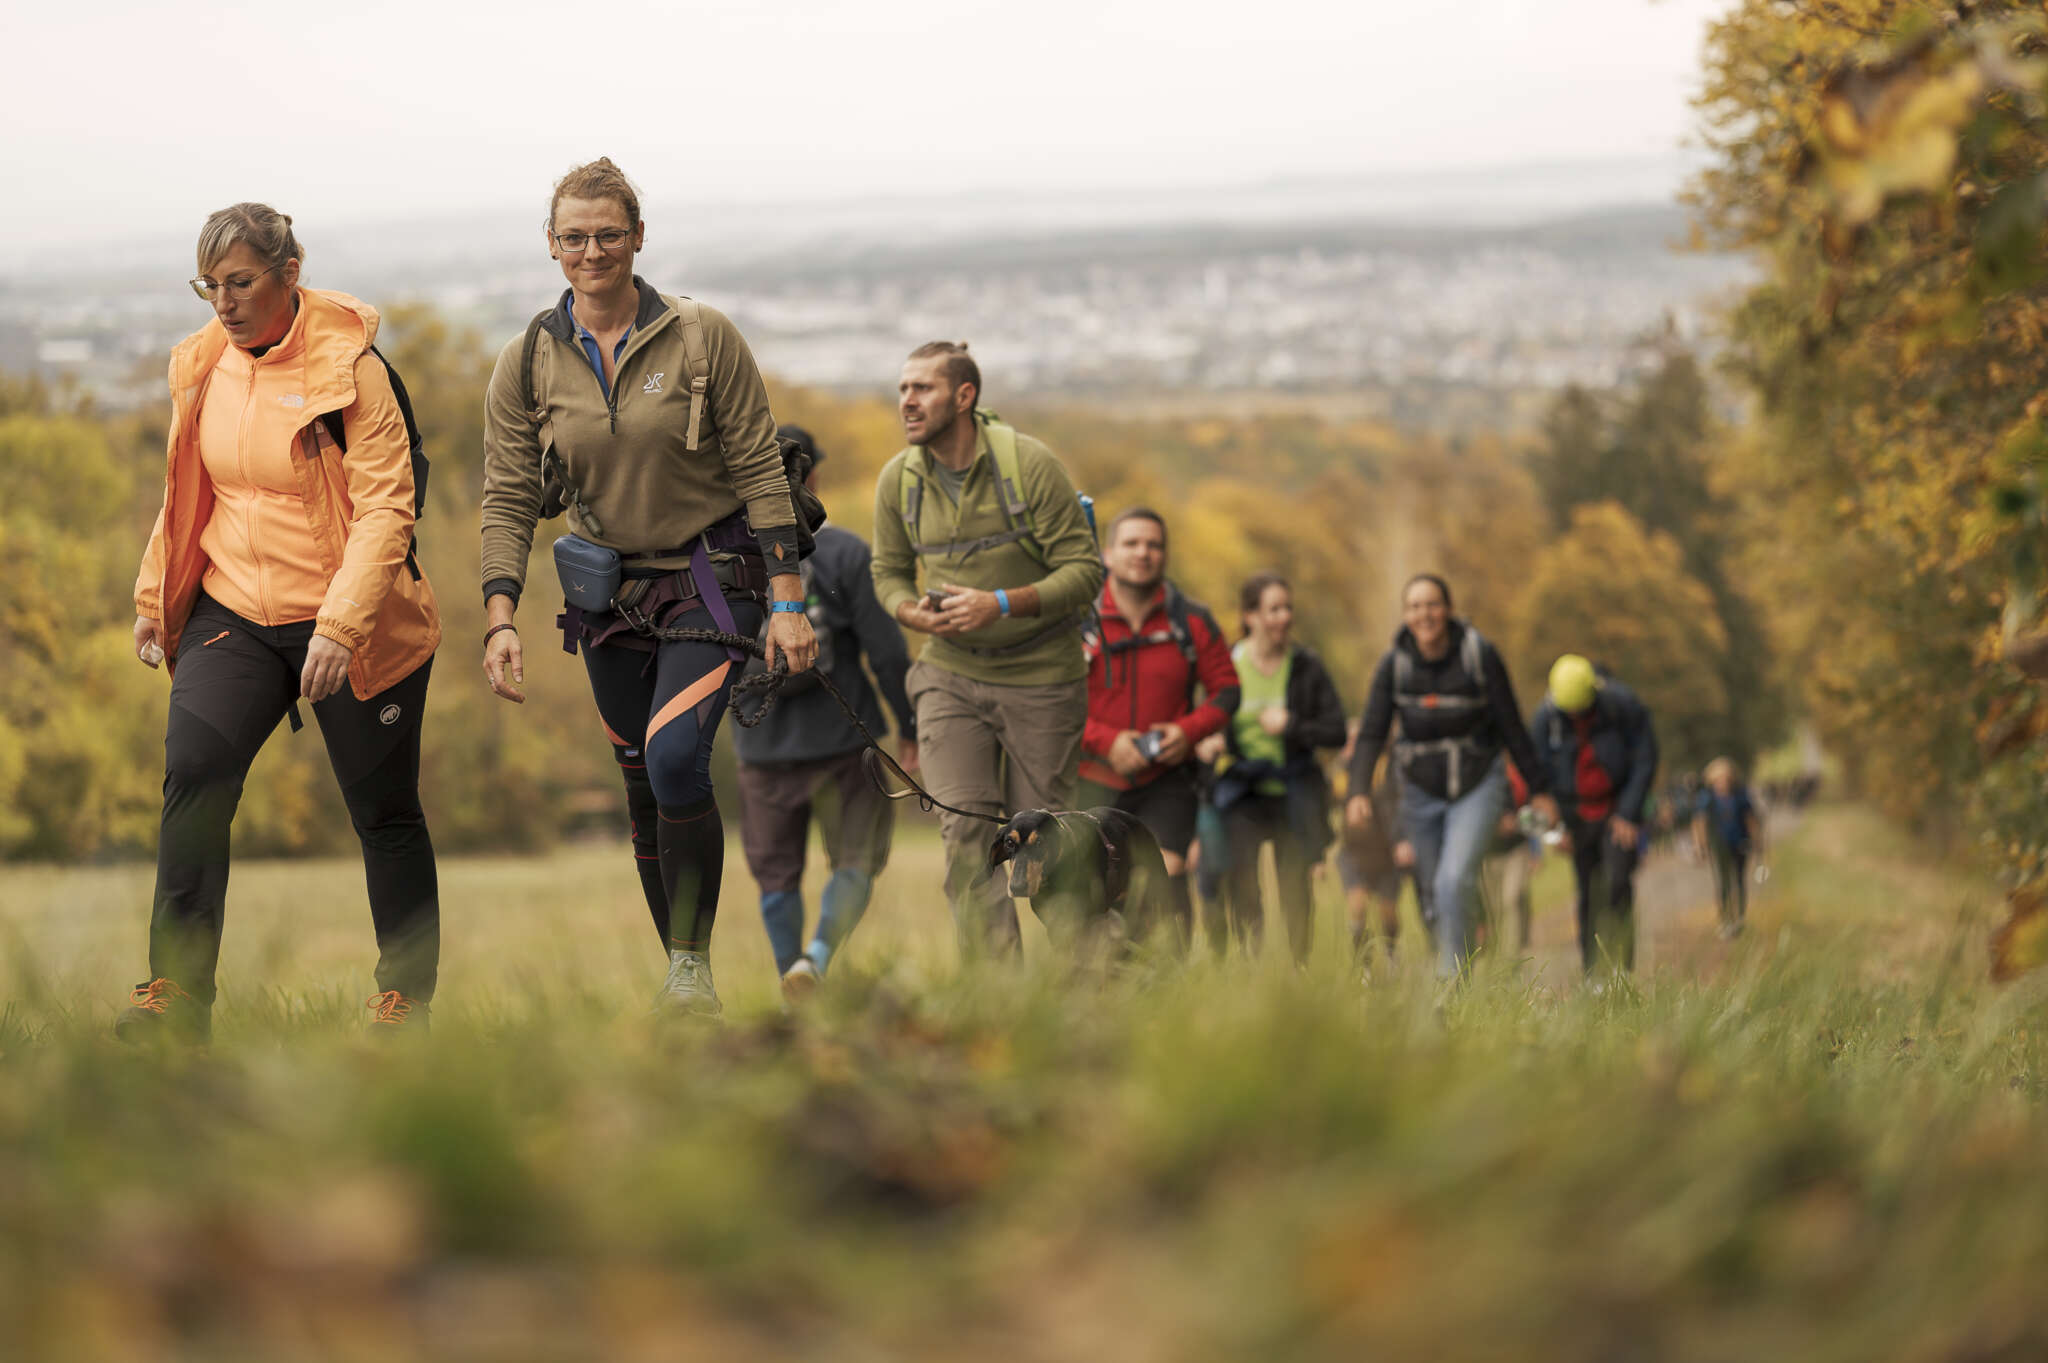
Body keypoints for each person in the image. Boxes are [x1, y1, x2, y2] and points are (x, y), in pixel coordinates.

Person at [480, 159, 814, 1020]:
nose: (593, 250)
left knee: (674, 760)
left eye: (608, 234)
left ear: (638, 236)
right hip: (608, 596)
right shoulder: (527, 361)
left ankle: (694, 962)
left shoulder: (703, 337)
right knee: (638, 776)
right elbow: (509, 494)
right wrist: (500, 617)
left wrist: (787, 599)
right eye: (574, 237)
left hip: (714, 577)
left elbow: (757, 466)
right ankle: (683, 969)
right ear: (552, 247)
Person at [122, 203, 443, 1041]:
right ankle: (177, 996)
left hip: (351, 615)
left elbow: (386, 512)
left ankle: (405, 1001)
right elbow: (186, 493)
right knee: (194, 772)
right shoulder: (200, 366)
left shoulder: (354, 372)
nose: (223, 304)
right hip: (235, 612)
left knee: (383, 808)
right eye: (210, 287)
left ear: (288, 275)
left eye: (240, 283)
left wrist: (339, 627)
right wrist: (156, 601)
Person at [870, 342, 1103, 957]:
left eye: (923, 389)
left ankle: (1092, 981)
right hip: (948, 675)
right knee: (966, 838)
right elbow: (887, 572)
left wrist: (999, 603)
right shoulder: (899, 479)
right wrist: (906, 609)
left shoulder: (1030, 465)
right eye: (902, 390)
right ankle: (1000, 1003)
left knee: (1046, 846)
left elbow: (1085, 571)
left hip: (1042, 676)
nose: (908, 402)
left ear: (964, 396)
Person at [733, 425, 917, 999]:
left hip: (762, 748)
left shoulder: (724, 557)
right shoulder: (843, 552)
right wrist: (909, 731)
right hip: (847, 741)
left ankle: (792, 976)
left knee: (775, 873)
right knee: (856, 860)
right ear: (813, 477)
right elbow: (886, 654)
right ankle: (815, 960)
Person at [1347, 574, 1555, 977]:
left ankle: (1451, 982)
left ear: (1449, 609)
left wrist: (1540, 790)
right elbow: (1373, 731)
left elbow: (1512, 726)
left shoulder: (1479, 655)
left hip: (1477, 786)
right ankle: (1463, 956)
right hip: (1420, 793)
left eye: (1432, 604)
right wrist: (1358, 789)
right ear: (1405, 615)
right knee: (1430, 892)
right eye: (1414, 606)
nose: (1424, 614)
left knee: (1453, 877)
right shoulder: (1395, 665)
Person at [1077, 507, 1240, 947]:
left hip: (1167, 778)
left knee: (1163, 877)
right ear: (1108, 555)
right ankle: (1103, 984)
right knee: (1092, 893)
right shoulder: (1078, 620)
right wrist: (1106, 742)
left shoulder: (1192, 620)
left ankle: (1170, 980)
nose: (1143, 553)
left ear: (1165, 555)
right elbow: (1051, 701)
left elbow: (1226, 691)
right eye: (1131, 543)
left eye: (1153, 544)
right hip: (1091, 777)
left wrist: (1187, 731)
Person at [1206, 573, 1347, 963]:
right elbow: (1206, 718)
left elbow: (1336, 731)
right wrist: (1211, 739)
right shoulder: (1227, 666)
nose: (1284, 617)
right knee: (1242, 883)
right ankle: (1252, 964)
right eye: (1274, 609)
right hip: (1243, 791)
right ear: (1250, 616)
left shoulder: (1306, 666)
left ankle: (1298, 969)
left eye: (1288, 608)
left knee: (1295, 887)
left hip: (1294, 790)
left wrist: (1292, 726)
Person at [1528, 654, 1660, 973]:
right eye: (1567, 710)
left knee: (1617, 883)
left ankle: (1622, 970)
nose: (1574, 715)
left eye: (1581, 708)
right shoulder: (1545, 719)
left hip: (1617, 810)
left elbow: (1645, 758)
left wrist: (1629, 813)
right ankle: (1593, 973)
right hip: (1575, 816)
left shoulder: (1622, 706)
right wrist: (1552, 831)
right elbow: (1536, 778)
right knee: (1588, 892)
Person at [1334, 724, 1412, 966]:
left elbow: (1397, 804)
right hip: (1353, 852)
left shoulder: (1387, 769)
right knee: (1357, 904)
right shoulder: (1341, 774)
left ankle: (1391, 953)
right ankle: (1362, 964)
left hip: (1385, 852)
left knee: (1387, 910)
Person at [1694, 757, 1764, 939]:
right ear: (1712, 780)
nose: (1722, 782)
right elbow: (1700, 822)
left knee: (1739, 879)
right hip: (1719, 844)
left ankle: (1739, 918)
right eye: (1718, 779)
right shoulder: (1707, 798)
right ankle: (1725, 920)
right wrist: (1700, 846)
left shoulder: (1740, 795)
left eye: (1725, 778)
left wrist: (1757, 843)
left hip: (1741, 841)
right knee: (1723, 882)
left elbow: (1751, 819)